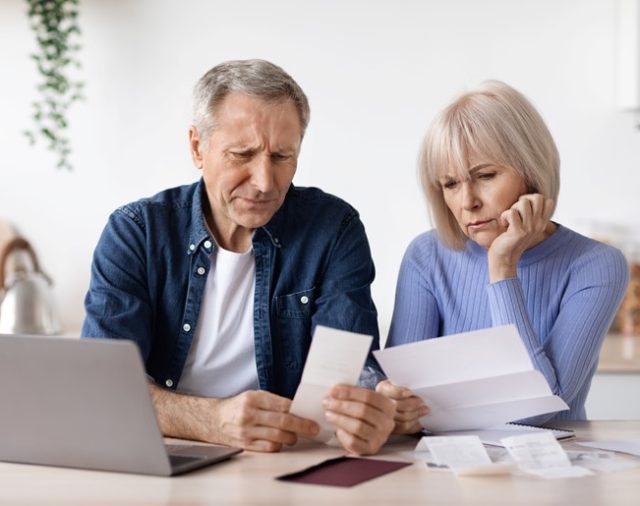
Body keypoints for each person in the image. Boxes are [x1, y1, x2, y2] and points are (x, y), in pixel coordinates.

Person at [81, 59, 394, 455]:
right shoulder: (136, 233)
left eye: (282, 157)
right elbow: (102, 385)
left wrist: (370, 408)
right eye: (242, 154)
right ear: (198, 148)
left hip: (285, 458)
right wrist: (212, 420)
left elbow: (351, 372)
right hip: (163, 452)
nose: (265, 182)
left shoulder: (334, 229)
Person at [376, 81, 629, 434]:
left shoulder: (596, 265)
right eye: (450, 184)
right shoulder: (426, 256)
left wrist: (502, 267)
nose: (467, 202)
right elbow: (403, 401)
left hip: (552, 475)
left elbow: (541, 407)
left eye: (485, 176)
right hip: (441, 469)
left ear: (531, 170)